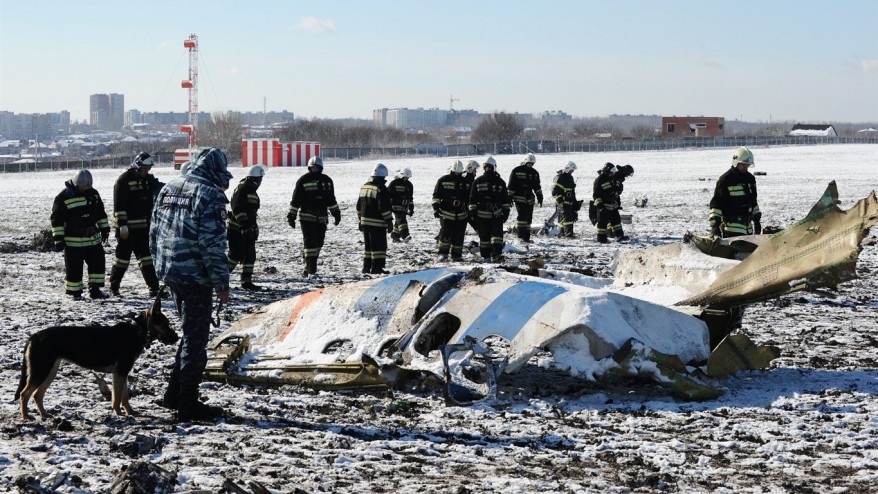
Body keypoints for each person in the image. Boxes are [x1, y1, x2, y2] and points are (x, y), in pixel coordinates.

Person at [150, 147, 232, 421]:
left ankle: (173, 395)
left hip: (171, 273)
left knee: (189, 334)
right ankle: (188, 403)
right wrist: (222, 284)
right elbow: (212, 246)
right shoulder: (210, 195)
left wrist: (161, 269)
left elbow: (154, 233)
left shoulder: (168, 188)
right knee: (196, 342)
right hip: (196, 278)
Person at [109, 152, 165, 298]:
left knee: (147, 259)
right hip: (127, 229)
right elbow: (119, 205)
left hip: (143, 228)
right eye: (144, 169)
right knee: (122, 260)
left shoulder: (147, 180)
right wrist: (122, 224)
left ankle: (154, 288)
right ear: (137, 166)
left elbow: (162, 188)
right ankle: (114, 287)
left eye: (148, 169)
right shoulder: (123, 180)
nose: (146, 171)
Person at [50, 169, 111, 300]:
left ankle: (95, 290)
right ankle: (75, 293)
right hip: (74, 242)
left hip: (93, 240)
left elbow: (100, 213)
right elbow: (57, 219)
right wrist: (58, 239)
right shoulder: (63, 197)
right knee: (74, 269)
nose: (84, 190)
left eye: (87, 188)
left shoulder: (93, 194)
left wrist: (105, 229)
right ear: (76, 184)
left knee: (97, 265)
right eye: (82, 188)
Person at [287, 156, 341, 277]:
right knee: (310, 243)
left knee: (319, 243)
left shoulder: (327, 181)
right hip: (307, 216)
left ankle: (307, 262)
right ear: (309, 168)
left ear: (321, 168)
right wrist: (291, 215)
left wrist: (336, 213)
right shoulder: (303, 180)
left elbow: (331, 199)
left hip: (322, 217)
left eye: (317, 168)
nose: (315, 169)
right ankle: (311, 270)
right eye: (313, 168)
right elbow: (296, 199)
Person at [227, 165, 266, 291]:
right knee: (235, 255)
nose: (260, 182)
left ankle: (246, 281)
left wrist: (253, 227)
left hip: (248, 228)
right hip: (237, 229)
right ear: (254, 179)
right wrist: (244, 226)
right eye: (259, 179)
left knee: (249, 256)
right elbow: (238, 209)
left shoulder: (251, 190)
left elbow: (251, 212)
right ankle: (221, 278)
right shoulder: (242, 188)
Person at [709, 147, 761, 238]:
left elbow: (753, 202)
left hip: (748, 230)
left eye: (747, 165)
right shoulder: (725, 180)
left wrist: (757, 221)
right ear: (736, 162)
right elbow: (716, 204)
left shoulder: (750, 179)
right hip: (731, 231)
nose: (745, 167)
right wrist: (715, 226)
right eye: (743, 164)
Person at [469, 156, 511, 262]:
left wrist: (506, 212)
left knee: (497, 237)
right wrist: (473, 212)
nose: (488, 169)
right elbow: (472, 199)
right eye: (486, 167)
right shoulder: (478, 181)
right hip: (483, 215)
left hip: (496, 215)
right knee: (484, 238)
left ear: (493, 167)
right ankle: (486, 256)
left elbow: (505, 199)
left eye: (489, 167)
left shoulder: (500, 182)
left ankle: (496, 254)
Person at [356, 163, 394, 274]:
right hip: (377, 223)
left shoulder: (364, 187)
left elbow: (359, 206)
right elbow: (384, 207)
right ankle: (377, 268)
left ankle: (366, 267)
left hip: (365, 222)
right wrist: (389, 221)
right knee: (379, 246)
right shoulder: (381, 189)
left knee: (368, 246)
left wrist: (360, 219)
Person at [432, 160, 471, 261]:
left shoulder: (466, 182)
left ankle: (457, 255)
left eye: (459, 172)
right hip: (446, 212)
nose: (457, 174)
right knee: (446, 233)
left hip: (461, 214)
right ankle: (443, 253)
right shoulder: (443, 180)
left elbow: (470, 197)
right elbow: (436, 195)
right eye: (455, 172)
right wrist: (436, 208)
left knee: (459, 234)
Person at [507, 152, 543, 243]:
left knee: (528, 218)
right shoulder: (516, 170)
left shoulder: (535, 173)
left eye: (532, 164)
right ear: (525, 161)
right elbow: (511, 185)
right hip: (519, 197)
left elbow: (537, 186)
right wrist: (509, 197)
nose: (530, 165)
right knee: (522, 217)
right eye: (529, 163)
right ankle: (520, 236)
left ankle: (526, 238)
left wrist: (540, 196)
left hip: (530, 199)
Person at [593, 163, 634, 243]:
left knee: (616, 221)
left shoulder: (610, 178)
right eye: (611, 172)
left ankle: (620, 236)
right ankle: (601, 239)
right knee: (602, 223)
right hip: (604, 205)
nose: (612, 173)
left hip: (612, 204)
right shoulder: (599, 180)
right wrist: (600, 205)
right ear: (607, 170)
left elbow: (614, 191)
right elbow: (596, 194)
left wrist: (617, 202)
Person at [552, 161, 581, 238]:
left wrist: (575, 203)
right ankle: (569, 235)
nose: (572, 171)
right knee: (568, 218)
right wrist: (560, 201)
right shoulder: (559, 177)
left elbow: (572, 192)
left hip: (569, 202)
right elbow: (555, 191)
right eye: (571, 170)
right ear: (567, 168)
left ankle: (561, 233)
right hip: (563, 202)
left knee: (563, 219)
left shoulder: (570, 177)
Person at [388, 167, 414, 242]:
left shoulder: (409, 185)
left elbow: (410, 198)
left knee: (399, 221)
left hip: (404, 206)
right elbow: (388, 195)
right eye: (406, 177)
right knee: (402, 220)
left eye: (408, 177)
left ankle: (395, 236)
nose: (407, 178)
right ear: (402, 175)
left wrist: (411, 208)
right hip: (395, 205)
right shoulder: (394, 183)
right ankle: (405, 235)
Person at [463, 160, 480, 232]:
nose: (476, 171)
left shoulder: (467, 179)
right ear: (471, 170)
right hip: (465, 209)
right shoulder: (469, 181)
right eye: (475, 170)